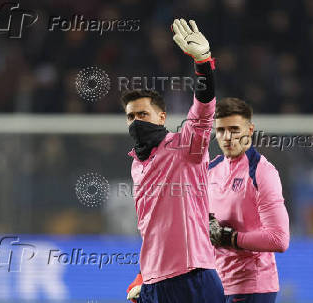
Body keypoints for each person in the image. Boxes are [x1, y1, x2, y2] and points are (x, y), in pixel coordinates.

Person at [124, 19, 224, 303]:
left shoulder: (185, 146)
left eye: (142, 114)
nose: (135, 121)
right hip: (154, 283)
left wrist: (203, 63)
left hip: (192, 275)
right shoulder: (136, 164)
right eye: (131, 116)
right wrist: (144, 275)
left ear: (162, 117)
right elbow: (150, 227)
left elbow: (203, 112)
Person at [208, 97, 290, 303]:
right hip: (216, 284)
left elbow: (279, 239)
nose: (227, 137)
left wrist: (230, 238)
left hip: (252, 287)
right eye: (221, 130)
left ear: (250, 130)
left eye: (234, 129)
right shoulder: (212, 169)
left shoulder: (262, 172)